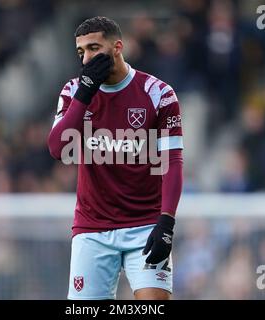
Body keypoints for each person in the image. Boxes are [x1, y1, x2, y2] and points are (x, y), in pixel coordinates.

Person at [47, 16, 183, 300]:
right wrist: (86, 93)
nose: (87, 59)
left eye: (94, 48)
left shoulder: (158, 94)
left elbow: (172, 162)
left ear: (117, 47)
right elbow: (58, 149)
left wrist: (167, 222)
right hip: (92, 227)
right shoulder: (74, 92)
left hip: (146, 225)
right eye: (81, 52)